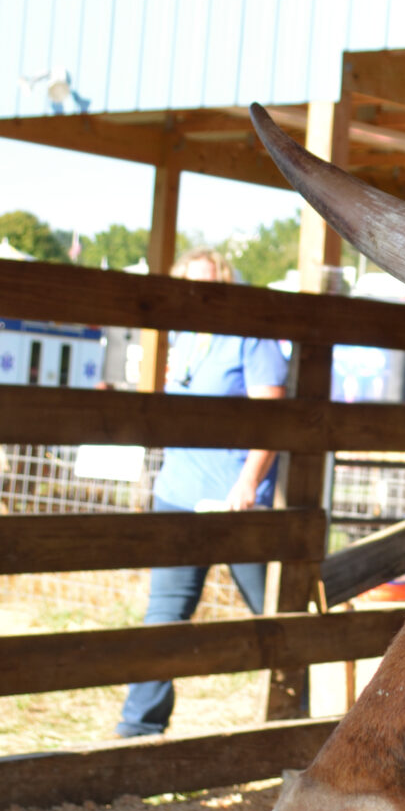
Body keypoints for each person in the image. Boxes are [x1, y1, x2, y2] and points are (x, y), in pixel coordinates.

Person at [116, 250, 291, 738]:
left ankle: (312, 729)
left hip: (236, 504)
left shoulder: (250, 338)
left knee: (275, 614)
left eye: (208, 284)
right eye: (189, 285)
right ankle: (137, 730)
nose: (198, 294)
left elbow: (272, 419)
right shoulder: (185, 341)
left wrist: (249, 481)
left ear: (226, 284)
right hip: (178, 494)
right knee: (164, 618)